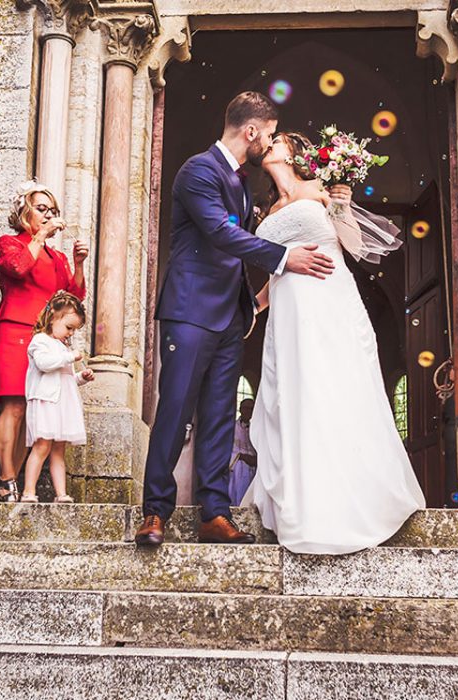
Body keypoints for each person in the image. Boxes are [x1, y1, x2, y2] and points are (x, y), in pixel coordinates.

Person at [135, 93, 336, 547]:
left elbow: (243, 239)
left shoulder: (242, 181)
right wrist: (285, 258)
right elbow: (222, 234)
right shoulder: (198, 170)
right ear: (251, 132)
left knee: (221, 416)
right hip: (190, 311)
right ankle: (154, 511)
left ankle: (215, 513)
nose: (269, 140)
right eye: (268, 133)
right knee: (175, 411)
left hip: (230, 317)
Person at [240, 130, 423, 554]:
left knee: (332, 391)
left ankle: (345, 502)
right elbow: (276, 268)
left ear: (296, 153)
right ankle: (301, 499)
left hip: (328, 303)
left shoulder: (320, 189)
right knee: (291, 397)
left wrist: (341, 202)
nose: (269, 143)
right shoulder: (267, 208)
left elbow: (354, 247)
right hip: (287, 316)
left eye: (279, 139)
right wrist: (253, 308)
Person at [0, 181, 86, 503]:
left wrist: (80, 263)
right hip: (15, 331)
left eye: (52, 210)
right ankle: (6, 480)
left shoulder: (56, 257)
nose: (47, 215)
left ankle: (18, 480)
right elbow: (17, 269)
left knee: (32, 409)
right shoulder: (9, 243)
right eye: (41, 209)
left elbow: (72, 298)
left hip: (46, 337)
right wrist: (39, 237)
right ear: (23, 212)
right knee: (15, 405)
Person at [20, 291, 94, 503]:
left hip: (62, 404)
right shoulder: (40, 341)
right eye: (69, 327)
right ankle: (28, 491)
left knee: (59, 449)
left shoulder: (62, 347)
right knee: (42, 445)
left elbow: (65, 379)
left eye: (75, 330)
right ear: (53, 317)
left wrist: (81, 377)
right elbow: (44, 364)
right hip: (46, 402)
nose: (71, 333)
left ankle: (61, 493)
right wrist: (70, 356)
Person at [228, 399, 257, 505]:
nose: (248, 411)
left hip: (255, 467)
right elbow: (229, 449)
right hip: (236, 467)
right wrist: (241, 456)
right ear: (240, 409)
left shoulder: (257, 428)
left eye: (251, 409)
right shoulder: (232, 428)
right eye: (246, 408)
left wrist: (256, 459)